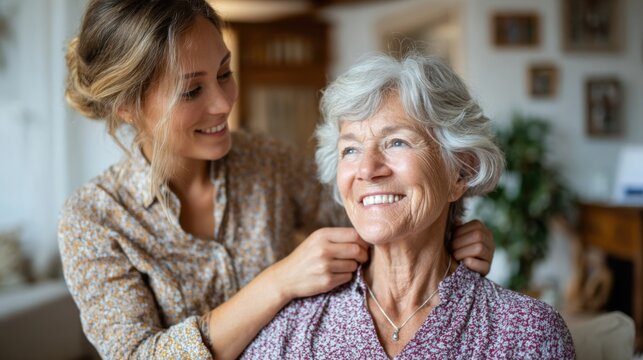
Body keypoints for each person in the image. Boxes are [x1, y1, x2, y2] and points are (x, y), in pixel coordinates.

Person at [58, 1, 496, 359]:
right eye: (192, 91)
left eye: (225, 74)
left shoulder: (270, 161)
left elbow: (377, 215)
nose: (223, 103)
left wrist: (450, 239)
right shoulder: (93, 219)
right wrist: (278, 282)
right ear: (128, 107)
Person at [241, 53, 575, 359]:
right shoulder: (293, 325)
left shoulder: (528, 334)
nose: (367, 170)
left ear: (460, 172)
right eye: (351, 149)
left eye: (396, 142)